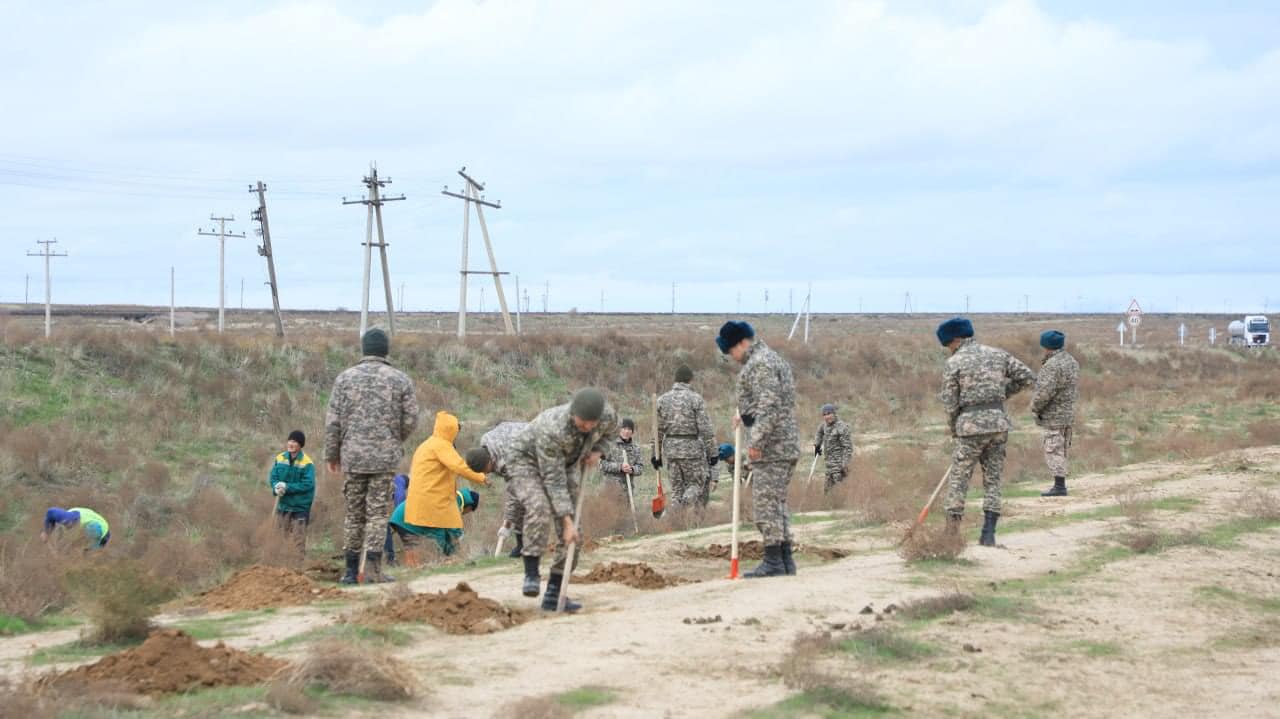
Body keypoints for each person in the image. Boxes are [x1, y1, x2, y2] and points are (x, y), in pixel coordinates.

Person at [507, 388, 618, 612]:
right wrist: (565, 521)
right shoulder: (553, 427)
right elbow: (553, 480)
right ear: (572, 413)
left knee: (574, 533)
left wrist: (599, 452)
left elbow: (611, 434)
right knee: (539, 507)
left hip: (565, 464)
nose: (587, 427)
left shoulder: (607, 417)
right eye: (582, 422)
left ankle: (554, 593)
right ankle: (531, 572)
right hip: (526, 462)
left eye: (591, 423)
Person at [324, 328, 419, 584]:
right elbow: (411, 419)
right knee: (377, 513)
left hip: (352, 457)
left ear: (364, 349)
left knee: (354, 514)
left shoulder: (344, 379)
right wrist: (394, 438)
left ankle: (350, 572)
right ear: (385, 350)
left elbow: (333, 421)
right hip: (384, 458)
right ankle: (374, 571)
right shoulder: (400, 379)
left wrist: (332, 454)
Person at [936, 318, 1035, 547]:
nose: (948, 349)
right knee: (993, 480)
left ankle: (951, 534)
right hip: (998, 425)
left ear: (955, 339)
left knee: (959, 479)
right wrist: (1000, 395)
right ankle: (988, 533)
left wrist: (955, 428)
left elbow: (950, 403)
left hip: (969, 428)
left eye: (948, 345)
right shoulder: (998, 354)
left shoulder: (954, 362)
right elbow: (1028, 377)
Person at [718, 320, 800, 578]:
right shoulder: (771, 359)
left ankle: (774, 561)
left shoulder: (761, 364)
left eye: (731, 351)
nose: (732, 357)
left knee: (766, 505)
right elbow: (768, 402)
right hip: (782, 443)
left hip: (773, 447)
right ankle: (785, 560)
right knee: (777, 504)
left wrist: (757, 442)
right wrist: (744, 416)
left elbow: (769, 405)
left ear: (742, 342)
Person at [395, 411, 486, 566]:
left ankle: (440, 561)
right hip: (429, 501)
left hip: (416, 503)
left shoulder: (427, 445)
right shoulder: (441, 446)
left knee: (416, 544)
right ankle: (447, 560)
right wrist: (481, 477)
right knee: (443, 529)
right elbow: (459, 466)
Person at [653, 366, 717, 507]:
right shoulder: (695, 399)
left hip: (671, 451)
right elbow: (705, 429)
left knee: (677, 489)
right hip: (692, 450)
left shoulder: (662, 400)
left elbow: (657, 431)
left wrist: (655, 455)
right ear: (690, 380)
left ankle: (675, 518)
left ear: (675, 379)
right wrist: (713, 453)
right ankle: (683, 504)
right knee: (696, 484)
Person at [468, 421, 530, 559]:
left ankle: (526, 546)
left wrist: (507, 525)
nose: (489, 473)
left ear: (489, 461)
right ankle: (521, 545)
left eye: (487, 470)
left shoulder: (507, 461)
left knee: (527, 499)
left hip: (539, 452)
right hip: (520, 438)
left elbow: (514, 494)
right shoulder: (486, 442)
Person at [1030, 330, 1080, 497]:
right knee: (1062, 447)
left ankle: (1059, 486)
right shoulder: (1071, 361)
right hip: (1067, 412)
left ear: (1046, 346)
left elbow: (1044, 392)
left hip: (1053, 414)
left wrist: (1035, 407)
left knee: (1053, 448)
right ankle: (1060, 484)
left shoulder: (1052, 365)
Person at [389, 487, 481, 559]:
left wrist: (451, 551)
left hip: (401, 515)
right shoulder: (453, 503)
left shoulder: (452, 496)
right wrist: (455, 551)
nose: (465, 514)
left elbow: (446, 533)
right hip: (406, 517)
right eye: (468, 511)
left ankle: (412, 571)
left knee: (411, 546)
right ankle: (413, 572)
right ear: (468, 506)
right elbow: (447, 533)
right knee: (413, 546)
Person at [268, 429, 316, 555]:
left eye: (294, 442)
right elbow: (273, 477)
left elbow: (307, 484)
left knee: (298, 539)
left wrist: (287, 487)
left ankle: (298, 567)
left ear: (300, 445)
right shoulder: (280, 458)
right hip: (283, 505)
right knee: (280, 537)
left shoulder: (307, 463)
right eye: (289, 441)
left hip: (300, 506)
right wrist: (276, 486)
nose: (291, 444)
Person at [600, 418, 644, 506]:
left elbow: (640, 467)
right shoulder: (610, 445)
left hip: (627, 492)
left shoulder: (636, 448)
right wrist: (620, 467)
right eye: (624, 428)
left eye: (629, 429)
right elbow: (602, 465)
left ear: (632, 432)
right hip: (611, 490)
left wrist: (632, 469)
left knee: (625, 518)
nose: (626, 431)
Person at [813, 404, 853, 494]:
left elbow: (848, 448)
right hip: (829, 465)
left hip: (839, 464)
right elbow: (819, 433)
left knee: (840, 490)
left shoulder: (842, 427)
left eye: (829, 413)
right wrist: (817, 445)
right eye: (825, 414)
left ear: (834, 414)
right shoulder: (824, 426)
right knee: (827, 492)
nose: (827, 416)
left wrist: (845, 464)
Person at [42, 506, 110, 550]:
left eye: (69, 523)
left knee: (84, 552)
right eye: (65, 523)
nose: (67, 525)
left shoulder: (89, 525)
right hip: (86, 527)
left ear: (74, 521)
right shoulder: (67, 514)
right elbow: (50, 514)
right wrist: (46, 533)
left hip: (102, 534)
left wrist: (84, 549)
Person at [383, 473, 409, 566]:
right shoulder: (400, 481)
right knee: (385, 530)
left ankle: (389, 558)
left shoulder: (393, 478)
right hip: (376, 507)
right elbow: (400, 497)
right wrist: (401, 517)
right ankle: (390, 559)